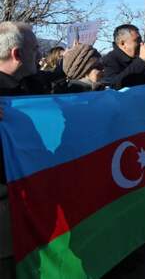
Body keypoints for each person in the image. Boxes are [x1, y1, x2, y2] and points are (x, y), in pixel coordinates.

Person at [0, 22, 44, 279]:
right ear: (17, 54)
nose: (40, 54)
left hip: (33, 204)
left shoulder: (32, 86)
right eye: (35, 49)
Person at [101, 24, 145, 89]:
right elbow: (114, 85)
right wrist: (141, 60)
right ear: (123, 43)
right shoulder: (110, 60)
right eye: (137, 40)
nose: (141, 44)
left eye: (141, 40)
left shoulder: (136, 59)